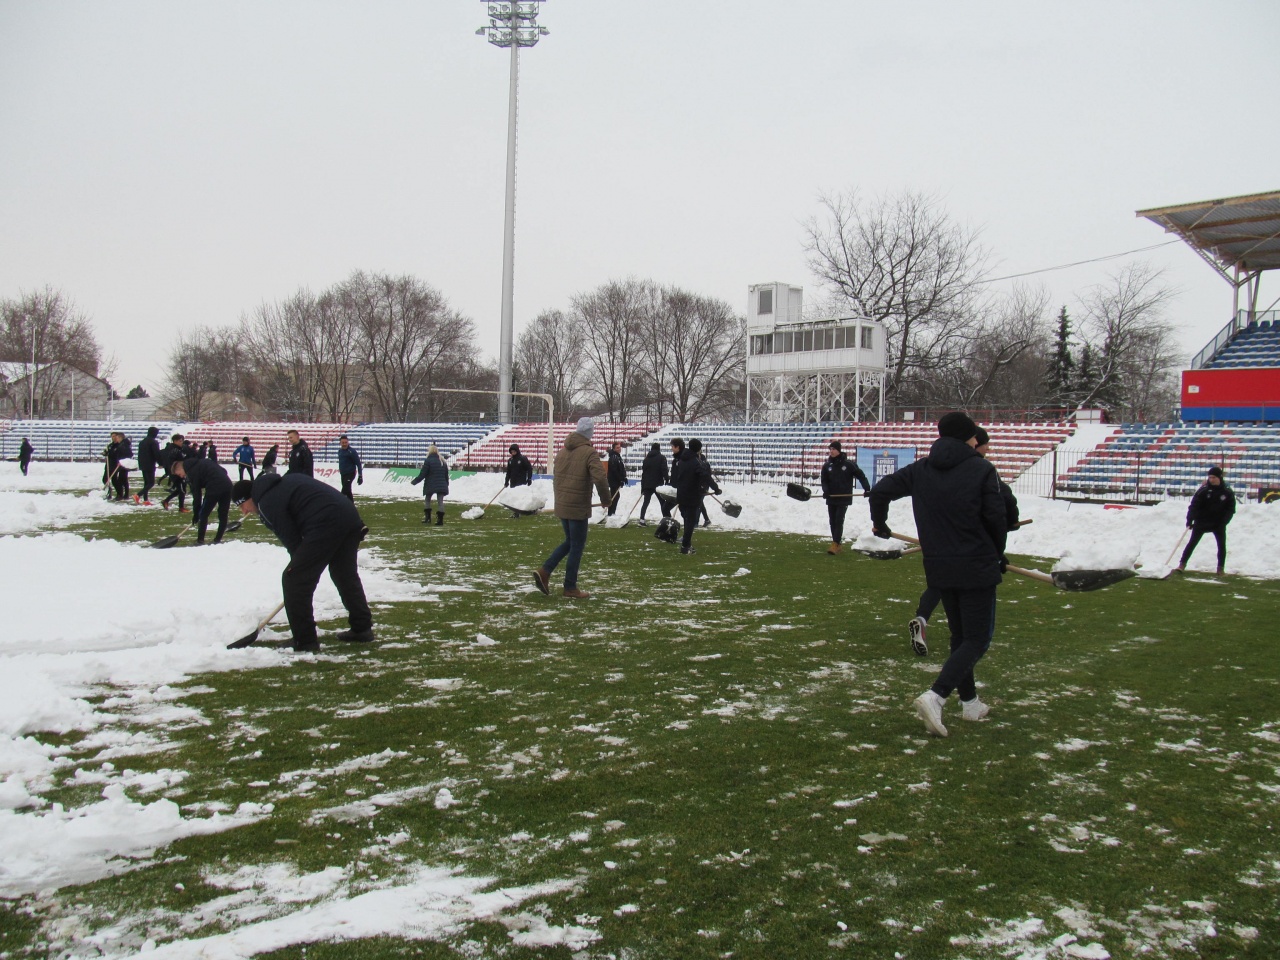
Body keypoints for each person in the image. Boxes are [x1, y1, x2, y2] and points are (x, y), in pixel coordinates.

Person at [869, 412, 1007, 737]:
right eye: (974, 436)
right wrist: (996, 554)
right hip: (975, 566)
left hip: (939, 566)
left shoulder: (921, 469)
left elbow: (880, 492)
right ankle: (937, 696)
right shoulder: (982, 469)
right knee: (977, 638)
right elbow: (997, 518)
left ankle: (970, 703)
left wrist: (881, 523)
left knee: (961, 637)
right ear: (968, 438)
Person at [907, 426, 1018, 656]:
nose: (988, 449)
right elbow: (1003, 501)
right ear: (977, 444)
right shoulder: (981, 468)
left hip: (941, 546)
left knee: (939, 585)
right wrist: (1009, 526)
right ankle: (945, 687)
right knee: (971, 634)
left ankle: (922, 618)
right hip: (971, 552)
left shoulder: (934, 467)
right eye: (986, 444)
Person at [232, 473, 374, 652]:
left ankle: (304, 640)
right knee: (344, 574)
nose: (244, 512)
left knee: (294, 579)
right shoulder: (283, 484)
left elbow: (293, 542)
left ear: (249, 498)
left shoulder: (267, 502)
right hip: (349, 517)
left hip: (327, 522)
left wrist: (301, 567)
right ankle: (362, 628)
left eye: (241, 505)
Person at [532, 417, 611, 599]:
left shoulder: (562, 452)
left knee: (570, 541)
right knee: (577, 545)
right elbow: (599, 478)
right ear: (590, 433)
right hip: (577, 507)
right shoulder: (589, 452)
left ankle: (545, 572)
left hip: (564, 505)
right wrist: (606, 499)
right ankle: (569, 586)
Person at [1177, 466, 1236, 575]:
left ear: (1220, 477)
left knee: (1221, 545)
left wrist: (1224, 522)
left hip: (1218, 523)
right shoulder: (1203, 490)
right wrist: (1190, 519)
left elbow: (1231, 509)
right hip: (1202, 521)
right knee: (1192, 543)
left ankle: (1220, 569)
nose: (1211, 479)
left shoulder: (1227, 492)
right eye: (1210, 477)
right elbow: (1194, 505)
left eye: (1214, 477)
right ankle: (1182, 564)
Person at [671, 437, 720, 555]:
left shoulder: (682, 459)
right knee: (690, 522)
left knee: (687, 519)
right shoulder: (695, 462)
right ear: (698, 449)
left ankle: (686, 544)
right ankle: (685, 546)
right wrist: (716, 488)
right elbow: (705, 476)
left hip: (681, 494)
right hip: (692, 495)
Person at [820, 440, 870, 554]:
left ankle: (836, 544)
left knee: (838, 520)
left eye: (833, 449)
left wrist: (867, 489)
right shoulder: (827, 466)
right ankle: (836, 543)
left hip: (844, 497)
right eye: (830, 449)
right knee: (832, 521)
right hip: (831, 497)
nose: (831, 451)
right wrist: (826, 491)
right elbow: (824, 480)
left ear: (839, 450)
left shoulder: (848, 464)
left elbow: (861, 476)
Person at [171, 455, 232, 545]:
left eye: (179, 474)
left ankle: (200, 540)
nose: (181, 476)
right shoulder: (202, 462)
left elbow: (197, 495)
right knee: (223, 514)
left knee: (203, 514)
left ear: (180, 468)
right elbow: (223, 471)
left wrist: (196, 513)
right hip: (228, 485)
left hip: (214, 487)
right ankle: (217, 540)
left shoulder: (192, 472)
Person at [410, 444, 449, 525]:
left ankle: (428, 518)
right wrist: (446, 484)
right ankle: (440, 520)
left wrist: (415, 481)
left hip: (430, 484)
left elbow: (423, 473)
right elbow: (446, 475)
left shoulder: (428, 461)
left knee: (428, 499)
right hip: (442, 484)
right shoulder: (442, 461)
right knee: (440, 501)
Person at [637, 442, 670, 526]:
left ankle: (642, 519)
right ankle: (666, 519)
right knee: (662, 502)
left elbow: (644, 473)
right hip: (658, 483)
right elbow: (664, 469)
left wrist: (642, 486)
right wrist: (666, 479)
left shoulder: (646, 459)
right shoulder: (661, 458)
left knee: (646, 502)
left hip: (647, 484)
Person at [160, 434, 189, 512]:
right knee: (182, 490)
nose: (181, 442)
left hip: (178, 471)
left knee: (180, 490)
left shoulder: (176, 449)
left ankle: (166, 501)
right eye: (180, 441)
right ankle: (181, 507)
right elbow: (175, 461)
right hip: (176, 472)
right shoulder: (174, 450)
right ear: (175, 441)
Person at [135, 426, 162, 505]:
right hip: (150, 464)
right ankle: (138, 495)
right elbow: (156, 454)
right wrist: (160, 463)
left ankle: (145, 499)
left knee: (146, 482)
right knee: (151, 483)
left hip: (143, 464)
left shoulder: (142, 442)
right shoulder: (154, 442)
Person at [103, 431, 132, 501]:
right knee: (105, 479)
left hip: (116, 465)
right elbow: (109, 453)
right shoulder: (110, 445)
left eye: (115, 436)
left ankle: (121, 494)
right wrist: (106, 453)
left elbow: (118, 454)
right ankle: (109, 493)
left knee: (117, 480)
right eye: (112, 436)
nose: (113, 438)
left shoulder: (120, 446)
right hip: (109, 465)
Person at [336, 435, 364, 501]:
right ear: (340, 443)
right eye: (343, 443)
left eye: (346, 442)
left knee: (344, 490)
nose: (344, 444)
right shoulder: (340, 451)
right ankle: (351, 506)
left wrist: (360, 476)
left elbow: (358, 464)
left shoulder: (352, 452)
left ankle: (339, 503)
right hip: (343, 474)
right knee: (348, 491)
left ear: (348, 442)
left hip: (350, 473)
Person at [606, 441, 627, 516]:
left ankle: (611, 512)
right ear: (614, 449)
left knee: (615, 496)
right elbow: (614, 470)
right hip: (613, 481)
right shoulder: (614, 457)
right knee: (615, 496)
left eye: (619, 447)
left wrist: (624, 477)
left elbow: (621, 468)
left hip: (616, 480)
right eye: (617, 448)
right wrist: (620, 479)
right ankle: (611, 513)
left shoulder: (618, 457)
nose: (619, 449)